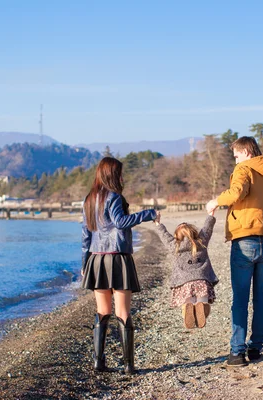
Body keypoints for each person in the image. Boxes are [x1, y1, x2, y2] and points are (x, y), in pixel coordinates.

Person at [206, 136, 263, 367]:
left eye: (236, 156)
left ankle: (237, 352)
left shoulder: (244, 169)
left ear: (246, 152)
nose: (235, 161)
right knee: (262, 298)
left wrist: (215, 201)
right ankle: (256, 348)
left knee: (241, 298)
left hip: (245, 240)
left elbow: (236, 193)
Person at [81, 157, 157, 375]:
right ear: (113, 175)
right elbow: (120, 222)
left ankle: (98, 361)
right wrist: (150, 213)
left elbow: (85, 235)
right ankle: (128, 365)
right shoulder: (114, 197)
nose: (122, 178)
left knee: (102, 311)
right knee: (123, 312)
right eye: (120, 174)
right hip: (117, 258)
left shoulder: (89, 199)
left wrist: (85, 262)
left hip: (96, 258)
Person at [153, 210, 219, 329]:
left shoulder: (175, 246)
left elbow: (164, 235)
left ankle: (188, 307)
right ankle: (201, 305)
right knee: (204, 303)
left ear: (177, 236)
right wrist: (211, 214)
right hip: (202, 281)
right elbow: (207, 227)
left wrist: (158, 223)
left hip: (184, 283)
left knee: (186, 304)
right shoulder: (202, 241)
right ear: (194, 232)